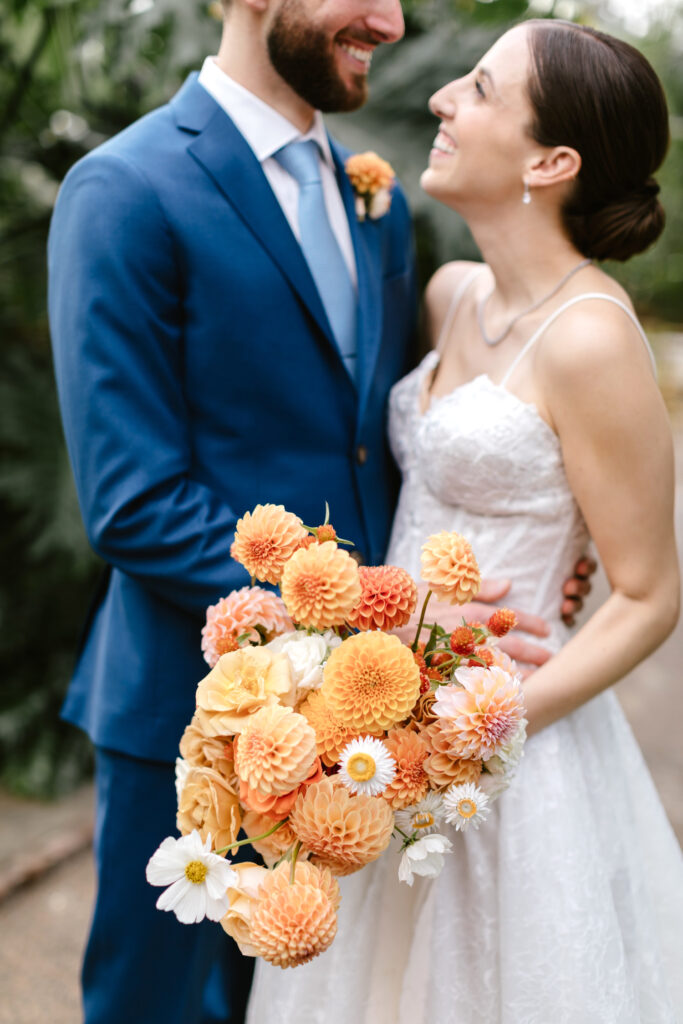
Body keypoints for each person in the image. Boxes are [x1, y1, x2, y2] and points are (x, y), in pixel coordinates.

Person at [47, 1, 576, 1021]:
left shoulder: (373, 198)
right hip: (189, 720)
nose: (388, 19)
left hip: (366, 737)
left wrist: (552, 536)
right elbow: (133, 502)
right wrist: (384, 619)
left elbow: (378, 441)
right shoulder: (125, 188)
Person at [245, 19, 683, 1024]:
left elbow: (650, 593)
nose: (440, 98)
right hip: (373, 732)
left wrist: (483, 729)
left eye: (478, 90)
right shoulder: (448, 293)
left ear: (550, 160)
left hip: (512, 739)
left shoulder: (590, 339)